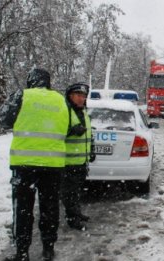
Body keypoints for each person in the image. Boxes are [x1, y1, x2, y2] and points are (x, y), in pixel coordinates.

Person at [0, 68, 69, 261]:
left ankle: (22, 253)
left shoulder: (22, 95)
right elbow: (68, 128)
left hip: (25, 164)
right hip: (53, 165)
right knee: (50, 207)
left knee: (23, 209)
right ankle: (48, 248)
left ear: (31, 81)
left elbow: (3, 120)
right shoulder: (61, 100)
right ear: (48, 82)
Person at [61, 82, 95, 230]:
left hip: (81, 161)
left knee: (76, 191)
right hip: (68, 162)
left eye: (83, 96)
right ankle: (72, 219)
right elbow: (56, 133)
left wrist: (91, 150)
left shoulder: (83, 112)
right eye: (78, 95)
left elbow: (89, 134)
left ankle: (76, 212)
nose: (81, 99)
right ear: (70, 96)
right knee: (69, 193)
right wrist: (71, 131)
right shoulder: (65, 111)